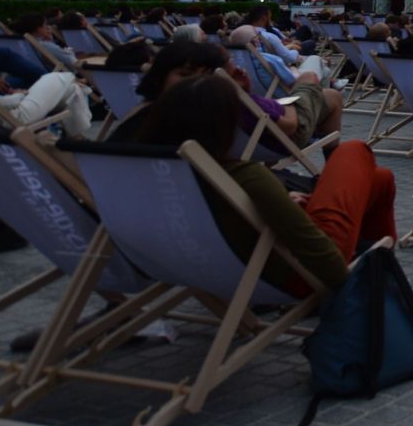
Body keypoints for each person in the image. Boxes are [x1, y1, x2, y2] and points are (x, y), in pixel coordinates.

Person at [131, 75, 397, 297]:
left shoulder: (152, 175)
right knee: (352, 150)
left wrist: (281, 203)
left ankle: (386, 276)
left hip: (215, 269)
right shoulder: (241, 175)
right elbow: (328, 263)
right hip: (298, 276)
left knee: (380, 180)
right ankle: (386, 287)